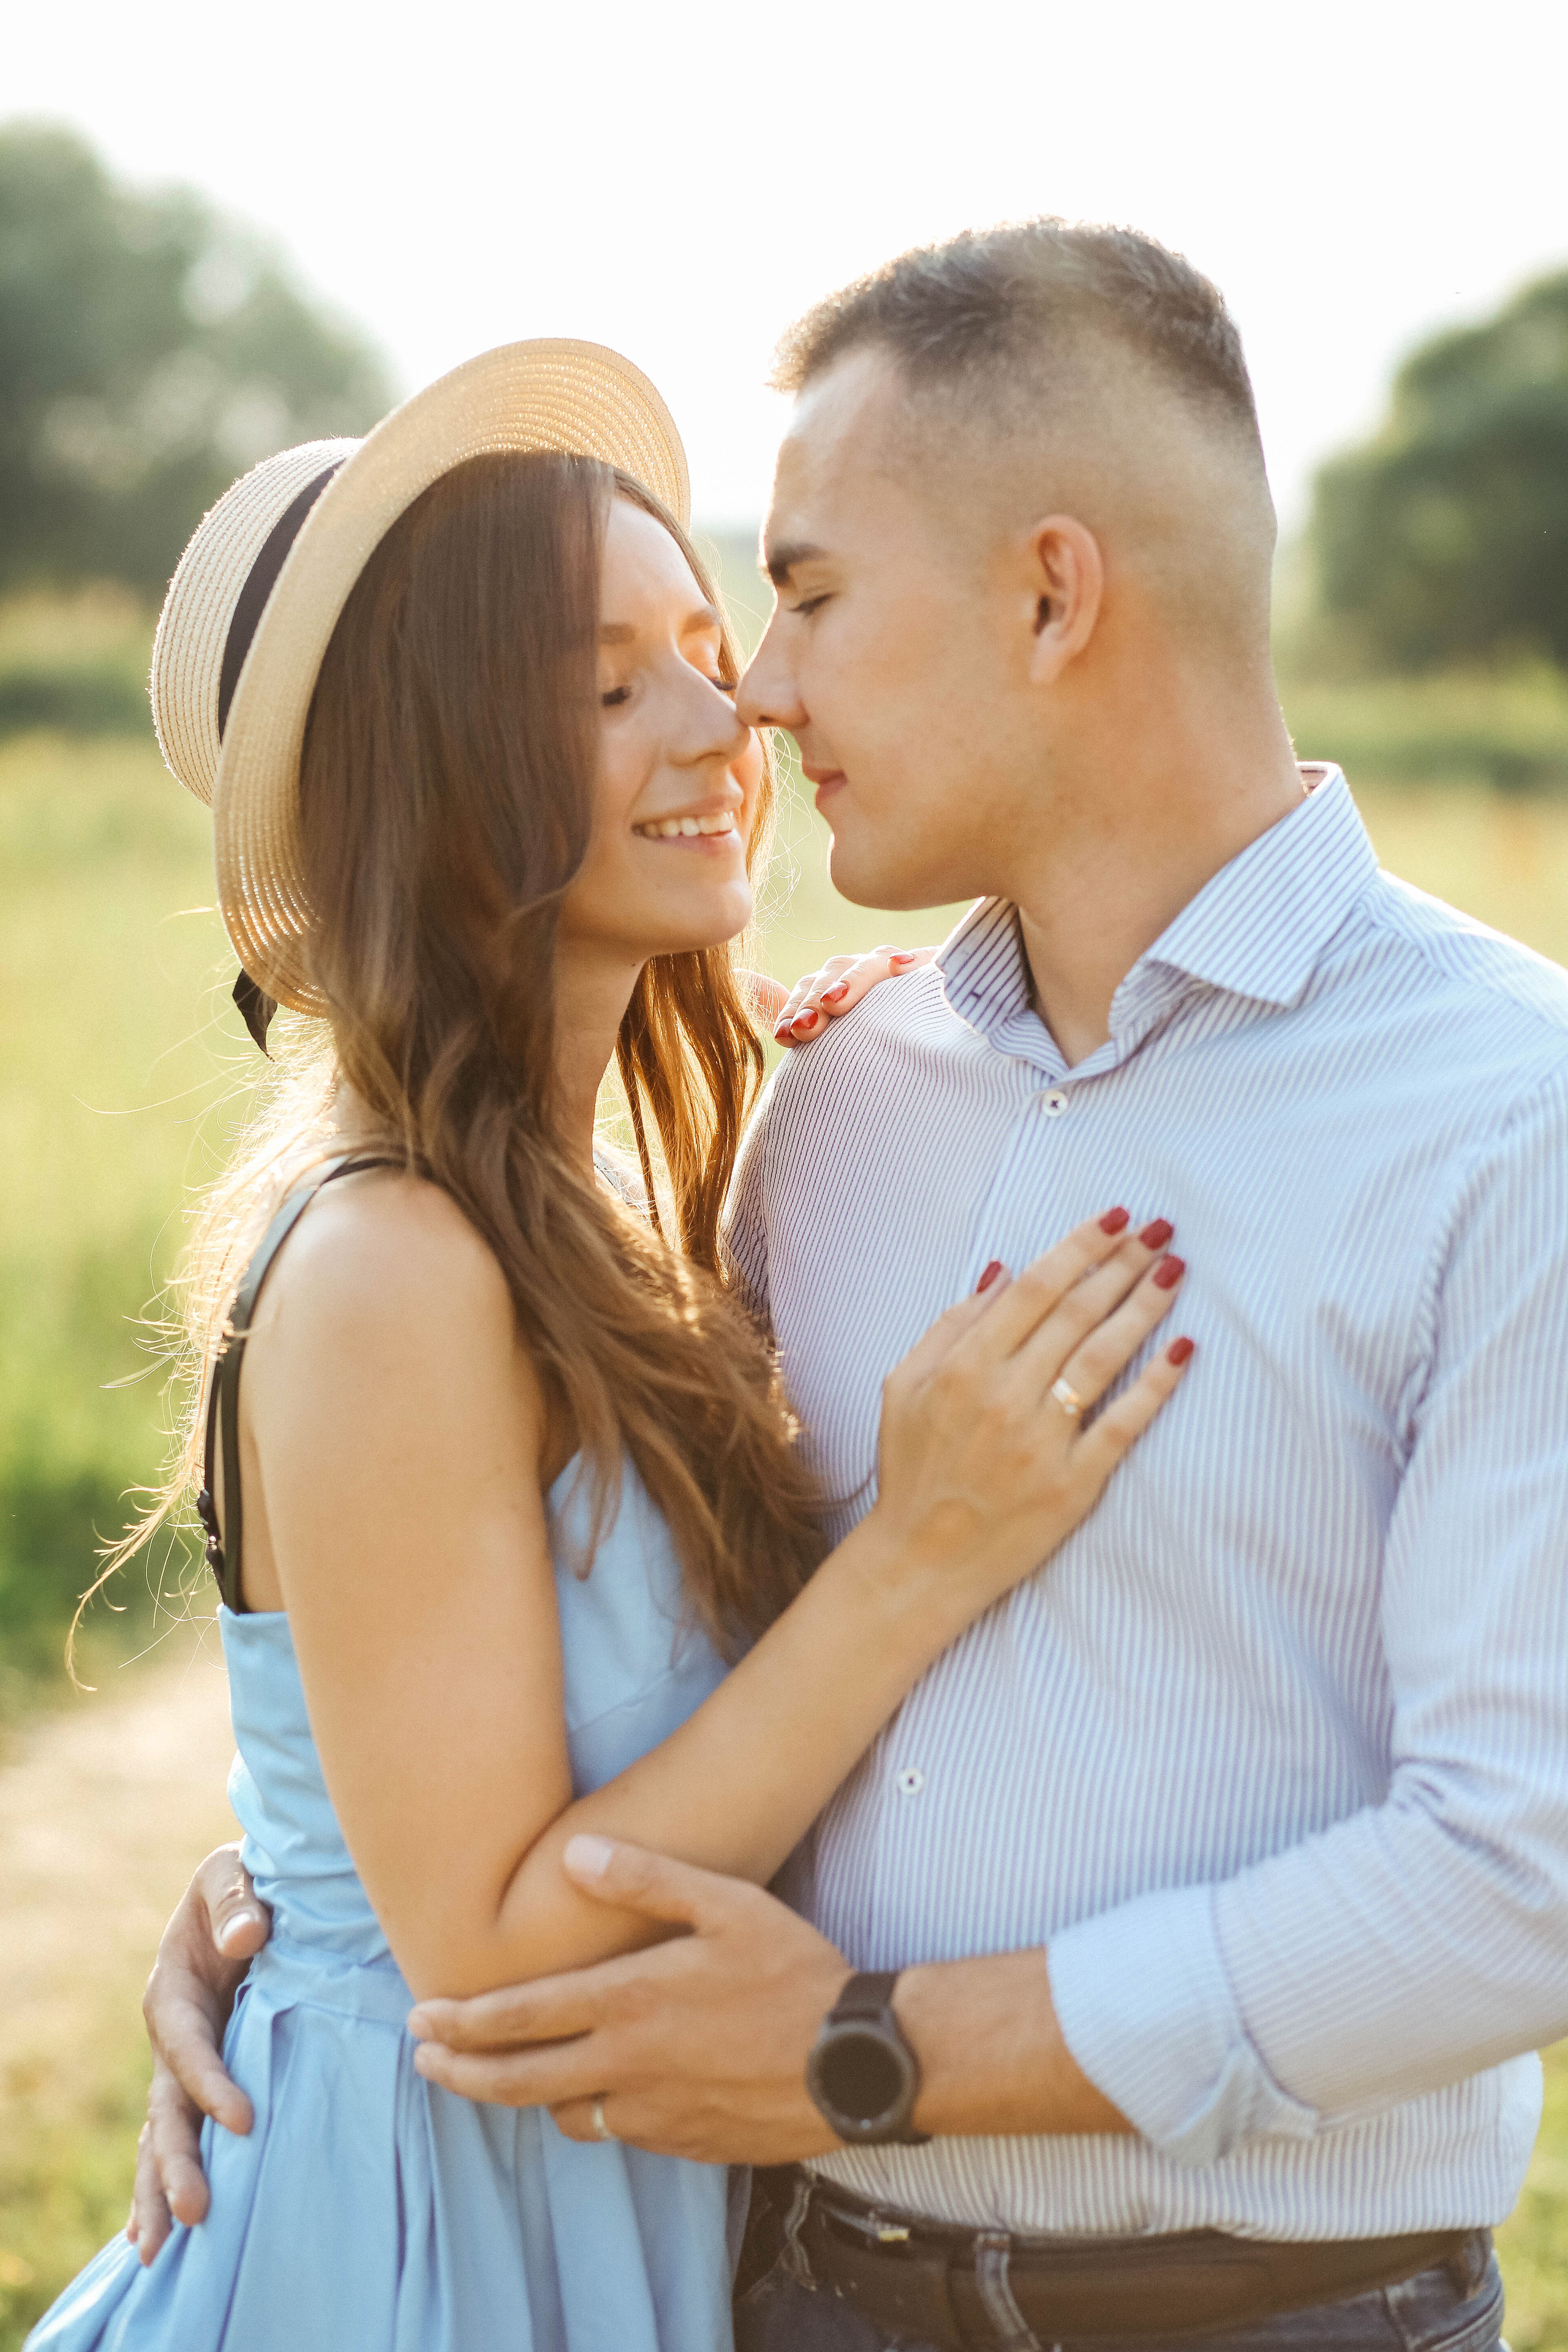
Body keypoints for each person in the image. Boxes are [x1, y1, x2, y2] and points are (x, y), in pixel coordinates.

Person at [28, 339, 1193, 2352]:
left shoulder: (627, 1213)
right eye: (602, 687)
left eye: (703, 641)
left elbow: (468, 1776)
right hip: (412, 2239)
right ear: (432, 780)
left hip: (592, 2205)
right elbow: (476, 1954)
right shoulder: (398, 1260)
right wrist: (917, 1556)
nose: (722, 719)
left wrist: (285, 1885)